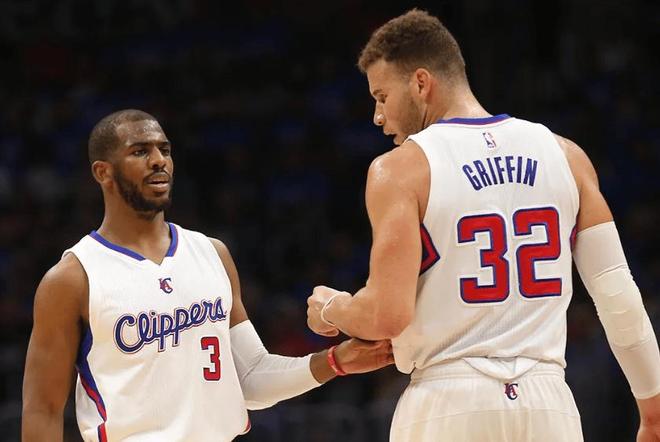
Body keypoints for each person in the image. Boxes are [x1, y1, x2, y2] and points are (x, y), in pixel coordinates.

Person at [306, 9, 660, 442]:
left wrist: (331, 307)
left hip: (448, 401)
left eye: (382, 96)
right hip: (548, 404)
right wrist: (653, 412)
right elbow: (619, 298)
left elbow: (386, 315)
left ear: (421, 83)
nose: (378, 116)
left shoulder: (400, 169)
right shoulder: (567, 156)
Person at [22, 109, 394, 442]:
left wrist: (337, 360)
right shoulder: (72, 278)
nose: (158, 161)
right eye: (140, 151)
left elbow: (251, 377)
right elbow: (42, 410)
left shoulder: (212, 253)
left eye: (164, 150)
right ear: (103, 172)